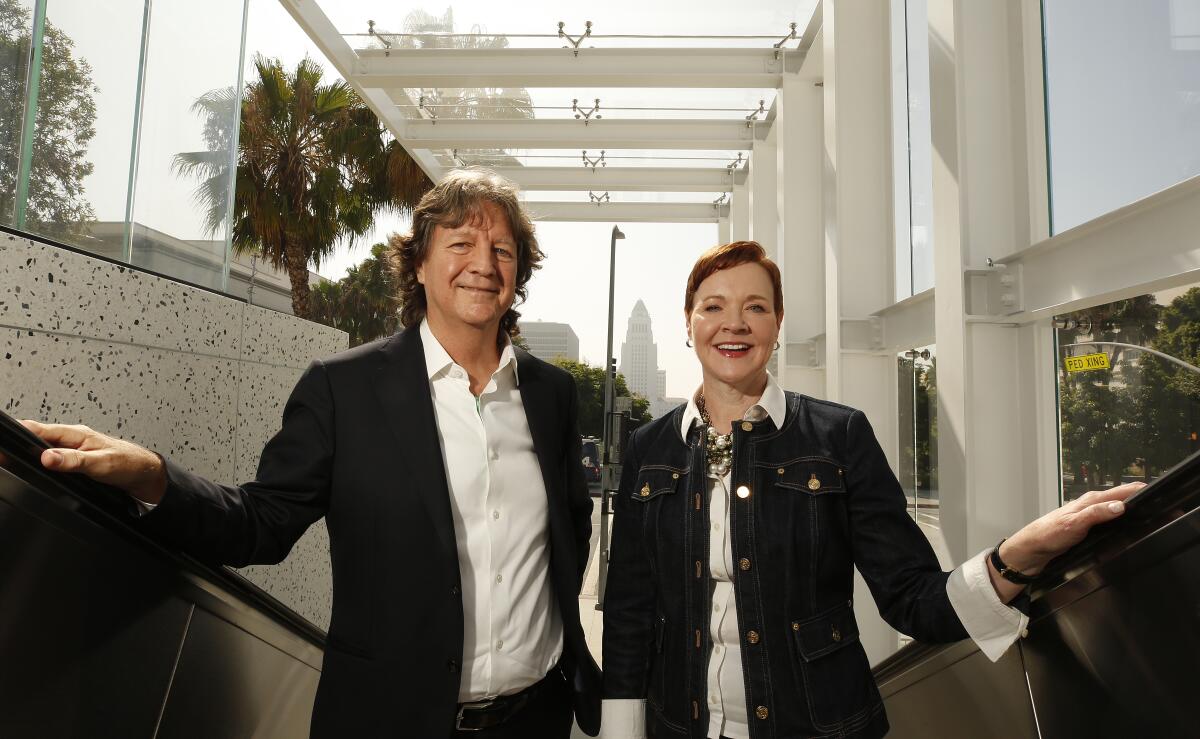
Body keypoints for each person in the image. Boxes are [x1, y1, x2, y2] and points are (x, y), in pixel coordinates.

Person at [21, 169, 601, 738]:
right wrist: (153, 478)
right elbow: (261, 523)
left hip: (536, 719)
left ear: (519, 270)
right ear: (419, 264)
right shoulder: (341, 389)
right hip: (387, 720)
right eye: (460, 244)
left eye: (502, 249)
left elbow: (568, 527)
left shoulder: (551, 394)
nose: (483, 264)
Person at [600, 241, 1140, 739]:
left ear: (778, 323)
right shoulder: (652, 448)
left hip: (819, 726)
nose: (734, 324)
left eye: (756, 307)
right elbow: (630, 611)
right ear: (688, 323)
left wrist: (1018, 557)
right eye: (713, 306)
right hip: (678, 726)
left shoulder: (838, 435)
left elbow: (913, 597)